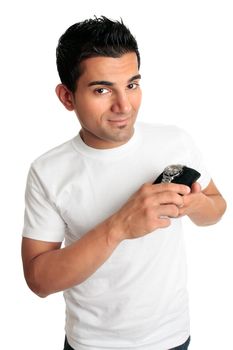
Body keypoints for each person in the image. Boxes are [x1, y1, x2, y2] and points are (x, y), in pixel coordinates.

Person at [21, 16, 226, 350]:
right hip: (91, 344)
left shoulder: (175, 142)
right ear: (67, 97)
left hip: (173, 338)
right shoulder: (48, 171)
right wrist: (119, 226)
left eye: (132, 85)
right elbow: (39, 279)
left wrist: (196, 204)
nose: (124, 105)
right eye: (102, 90)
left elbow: (217, 208)